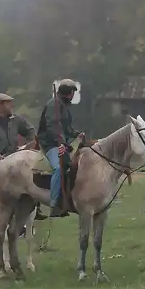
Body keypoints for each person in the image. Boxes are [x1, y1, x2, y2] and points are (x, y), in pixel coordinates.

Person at [0, 93, 43, 219]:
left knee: (33, 172)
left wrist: (28, 145)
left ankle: (35, 206)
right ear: (0, 104)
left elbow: (30, 131)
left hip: (13, 156)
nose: (11, 105)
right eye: (8, 102)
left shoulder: (16, 120)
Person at [37, 79, 85, 218]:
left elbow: (66, 128)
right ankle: (54, 204)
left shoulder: (64, 106)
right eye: (72, 92)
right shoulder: (54, 105)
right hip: (49, 142)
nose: (73, 95)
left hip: (61, 141)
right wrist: (61, 144)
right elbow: (53, 126)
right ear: (67, 93)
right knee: (58, 168)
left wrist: (76, 134)